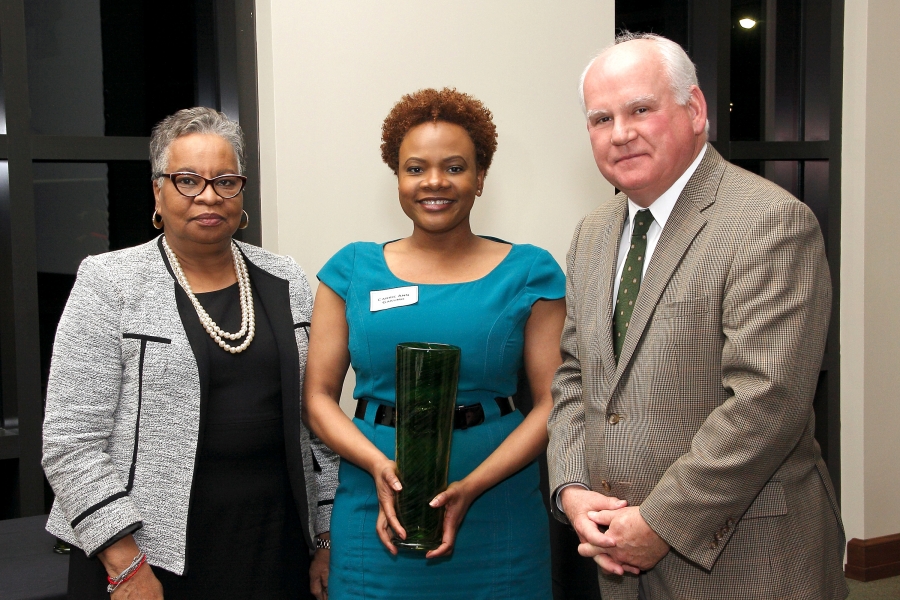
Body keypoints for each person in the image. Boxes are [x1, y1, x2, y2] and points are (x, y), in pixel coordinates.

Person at [546, 33, 847, 599]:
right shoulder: (592, 234)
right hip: (617, 555)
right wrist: (571, 487)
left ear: (696, 109)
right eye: (601, 119)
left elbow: (766, 401)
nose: (620, 133)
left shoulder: (769, 221)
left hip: (746, 560)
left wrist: (660, 523)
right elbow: (573, 376)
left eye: (640, 109)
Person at [42, 107, 337, 600]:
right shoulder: (110, 282)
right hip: (147, 553)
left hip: (276, 543)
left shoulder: (286, 278)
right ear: (158, 191)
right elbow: (70, 442)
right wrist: (125, 563)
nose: (208, 195)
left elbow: (319, 427)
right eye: (187, 180)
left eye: (225, 181)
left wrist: (326, 536)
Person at [303, 88, 565, 599]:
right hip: (376, 502)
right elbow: (317, 398)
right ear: (398, 178)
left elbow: (554, 402)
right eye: (416, 168)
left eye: (455, 167)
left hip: (497, 505)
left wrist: (473, 485)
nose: (435, 182)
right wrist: (376, 464)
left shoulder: (530, 271)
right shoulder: (351, 270)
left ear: (480, 178)